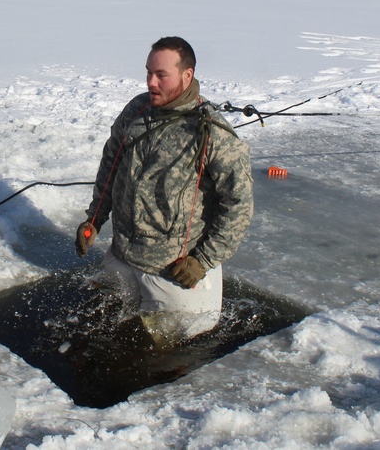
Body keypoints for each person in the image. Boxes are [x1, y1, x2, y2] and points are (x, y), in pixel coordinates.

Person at [75, 36, 254, 343]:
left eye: (161, 75)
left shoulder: (210, 131)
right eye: (148, 73)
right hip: (124, 256)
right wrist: (95, 219)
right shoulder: (136, 111)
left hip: (174, 272)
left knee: (175, 350)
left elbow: (238, 204)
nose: (151, 82)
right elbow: (111, 163)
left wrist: (204, 261)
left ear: (187, 75)